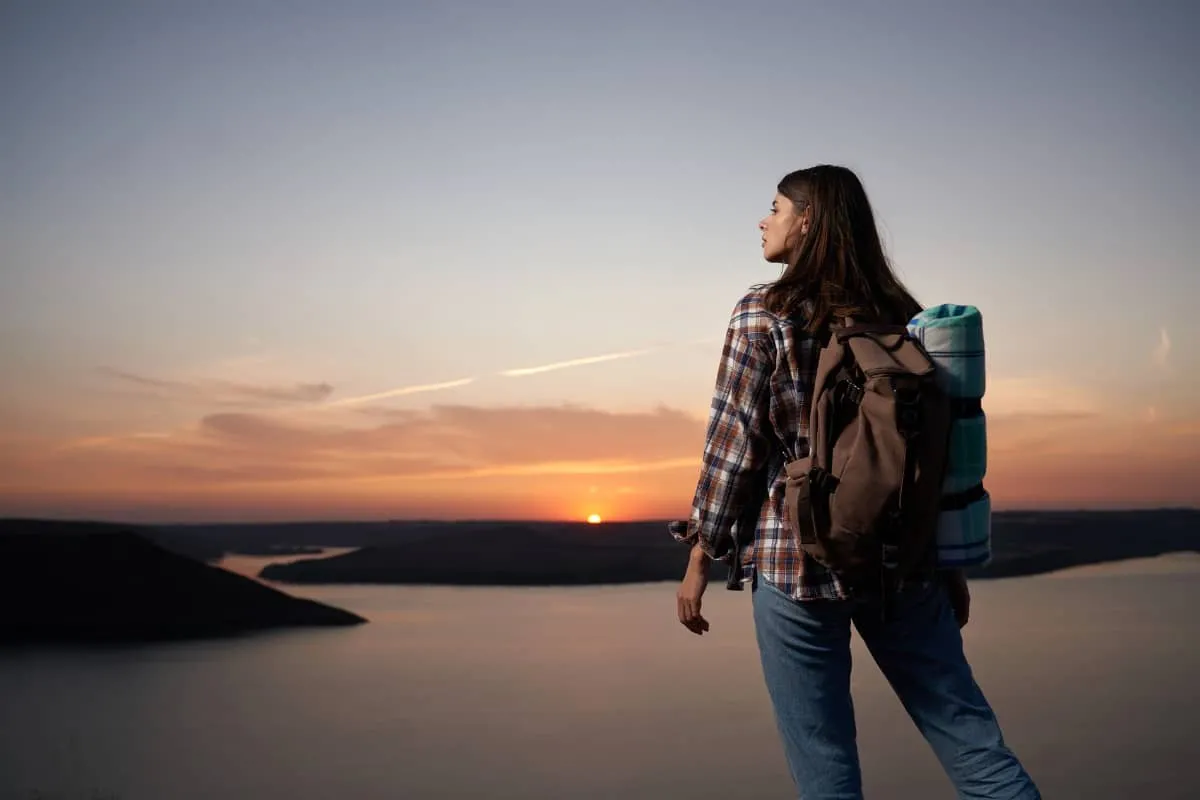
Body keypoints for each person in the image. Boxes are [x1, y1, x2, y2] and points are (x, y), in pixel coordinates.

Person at [670, 165, 1041, 799]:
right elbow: (935, 456)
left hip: (795, 564)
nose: (764, 220)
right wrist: (944, 560)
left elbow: (734, 445)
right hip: (904, 561)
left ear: (807, 220)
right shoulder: (904, 318)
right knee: (975, 746)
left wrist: (702, 552)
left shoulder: (763, 312)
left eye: (776, 207)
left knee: (826, 767)